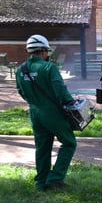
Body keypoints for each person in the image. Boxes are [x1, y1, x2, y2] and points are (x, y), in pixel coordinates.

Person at [15, 34, 77, 191]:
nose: (47, 55)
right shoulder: (49, 67)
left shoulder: (20, 69)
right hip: (52, 113)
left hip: (34, 112)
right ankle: (55, 178)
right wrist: (71, 103)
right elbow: (60, 90)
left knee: (42, 147)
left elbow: (21, 91)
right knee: (69, 143)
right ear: (42, 51)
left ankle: (41, 182)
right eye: (47, 52)